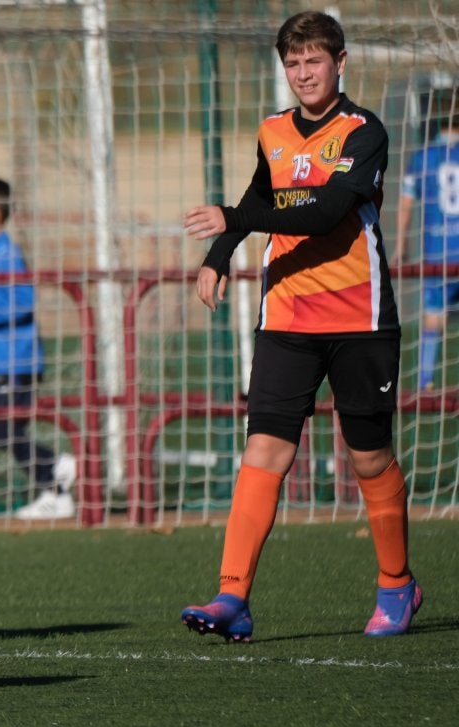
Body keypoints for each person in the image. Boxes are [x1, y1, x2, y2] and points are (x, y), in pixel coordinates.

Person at [180, 10, 419, 641]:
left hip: (360, 319)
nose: (304, 73)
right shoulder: (273, 131)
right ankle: (232, 597)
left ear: (340, 63)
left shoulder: (364, 131)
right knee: (265, 449)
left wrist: (234, 217)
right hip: (285, 315)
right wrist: (217, 255)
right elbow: (261, 199)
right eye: (293, 63)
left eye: (315, 61)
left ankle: (397, 584)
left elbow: (324, 211)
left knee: (368, 458)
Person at [0, 179, 76, 520]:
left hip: (18, 360)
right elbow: (4, 301)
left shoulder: (5, 252)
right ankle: (55, 483)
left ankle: (55, 472)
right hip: (6, 359)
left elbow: (23, 301)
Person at [394, 88, 459, 391]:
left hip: (438, 252)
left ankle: (425, 381)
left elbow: (406, 203)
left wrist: (401, 244)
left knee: (433, 317)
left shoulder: (423, 158)